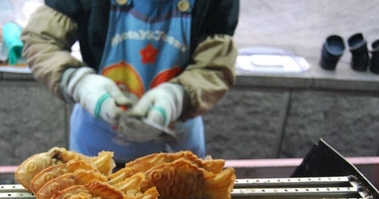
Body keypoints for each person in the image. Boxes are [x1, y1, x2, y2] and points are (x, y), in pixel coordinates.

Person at [21, 0, 239, 164]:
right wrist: (77, 82)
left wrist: (178, 97)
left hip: (175, 149)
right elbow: (41, 39)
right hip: (96, 148)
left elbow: (215, 65)